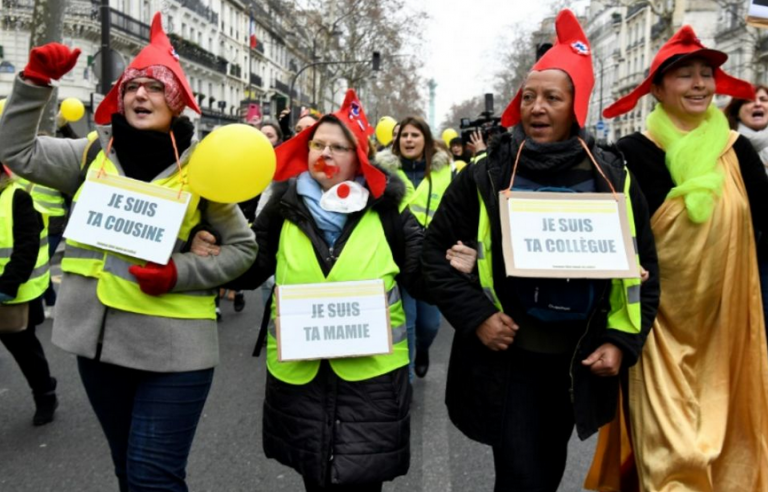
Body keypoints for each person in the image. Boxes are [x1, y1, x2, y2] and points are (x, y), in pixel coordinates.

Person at [0, 13, 256, 492]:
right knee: (128, 473)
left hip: (177, 351)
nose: (141, 94)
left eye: (156, 87)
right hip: (99, 348)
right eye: (133, 84)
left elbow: (243, 250)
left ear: (177, 101)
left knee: (152, 480)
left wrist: (178, 271)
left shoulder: (202, 167)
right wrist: (34, 83)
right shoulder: (92, 152)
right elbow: (17, 153)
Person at [420, 10, 659, 491]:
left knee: (543, 471)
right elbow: (430, 257)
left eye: (552, 97)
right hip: (510, 362)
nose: (536, 108)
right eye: (528, 97)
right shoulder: (485, 174)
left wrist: (621, 342)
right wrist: (478, 316)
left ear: (576, 106)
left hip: (577, 363)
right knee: (522, 475)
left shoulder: (613, 178)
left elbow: (646, 270)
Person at [195, 90, 423, 491]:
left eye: (338, 147)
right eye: (318, 144)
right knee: (315, 480)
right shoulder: (284, 204)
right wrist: (214, 249)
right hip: (300, 382)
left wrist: (458, 264)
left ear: (360, 157)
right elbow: (252, 266)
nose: (326, 154)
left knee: (362, 481)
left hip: (371, 384)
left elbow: (423, 275)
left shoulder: (389, 210)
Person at [588, 25, 768, 491]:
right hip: (657, 330)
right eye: (685, 75)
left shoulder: (738, 151)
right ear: (658, 88)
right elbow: (608, 238)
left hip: (726, 332)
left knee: (729, 446)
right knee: (672, 455)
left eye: (705, 74)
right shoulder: (627, 155)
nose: (699, 85)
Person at [377, 116, 452, 378]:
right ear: (397, 140)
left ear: (426, 140)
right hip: (398, 255)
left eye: (415, 135)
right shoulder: (384, 171)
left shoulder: (444, 171)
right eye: (404, 135)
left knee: (430, 324)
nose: (409, 140)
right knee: (405, 322)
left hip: (433, 257)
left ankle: (423, 350)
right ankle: (405, 380)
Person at [0, 165, 58, 426]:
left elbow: (27, 247)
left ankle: (45, 394)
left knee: (25, 351)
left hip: (14, 294)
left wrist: (7, 286)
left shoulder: (18, 198)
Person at [724, 84, 768, 340]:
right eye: (750, 100)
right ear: (737, 110)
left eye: (764, 99)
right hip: (742, 244)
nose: (758, 104)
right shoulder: (726, 146)